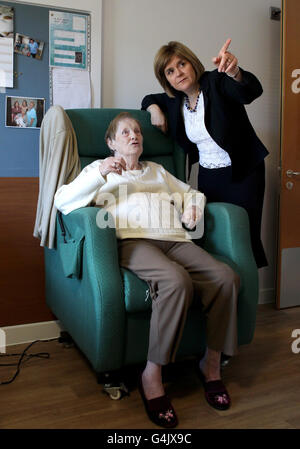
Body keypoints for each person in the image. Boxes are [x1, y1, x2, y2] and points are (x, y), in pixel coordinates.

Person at [54, 112, 240, 428]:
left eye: (137, 131)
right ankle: (152, 373)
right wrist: (99, 172)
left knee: (225, 277)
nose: (134, 135)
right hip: (134, 242)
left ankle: (210, 364)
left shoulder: (157, 171)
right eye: (125, 132)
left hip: (175, 240)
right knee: (175, 280)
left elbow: (190, 193)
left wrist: (193, 206)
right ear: (111, 142)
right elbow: (63, 201)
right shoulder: (99, 172)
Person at [142, 39, 269, 268]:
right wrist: (153, 110)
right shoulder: (175, 101)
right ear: (166, 79)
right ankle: (222, 290)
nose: (178, 73)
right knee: (209, 237)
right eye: (170, 71)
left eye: (182, 64)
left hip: (242, 172)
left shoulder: (216, 82)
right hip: (209, 177)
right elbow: (149, 99)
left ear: (192, 63)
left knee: (243, 238)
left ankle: (247, 299)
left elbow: (250, 91)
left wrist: (234, 72)